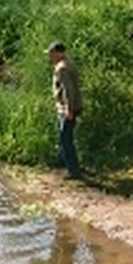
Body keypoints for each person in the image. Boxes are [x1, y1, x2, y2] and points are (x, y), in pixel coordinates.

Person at [47, 41, 82, 179]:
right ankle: (62, 162)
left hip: (68, 108)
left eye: (51, 53)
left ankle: (73, 171)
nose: (50, 56)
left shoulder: (62, 68)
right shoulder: (68, 63)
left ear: (58, 53)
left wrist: (68, 109)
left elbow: (68, 90)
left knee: (66, 139)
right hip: (67, 107)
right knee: (62, 136)